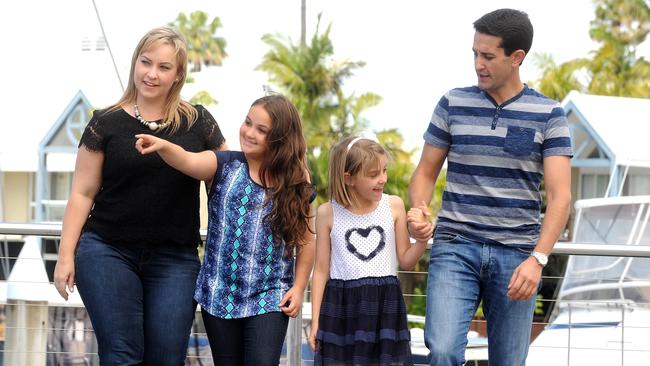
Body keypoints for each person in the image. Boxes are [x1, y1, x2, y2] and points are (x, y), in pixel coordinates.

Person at [52, 26, 226, 365]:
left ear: (178, 75)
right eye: (146, 62)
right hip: (106, 250)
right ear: (135, 63)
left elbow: (227, 176)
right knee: (122, 353)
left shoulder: (199, 122)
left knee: (166, 357)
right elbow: (82, 193)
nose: (151, 74)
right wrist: (64, 257)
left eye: (164, 67)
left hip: (175, 259)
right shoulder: (105, 123)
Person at [408, 8, 573, 366]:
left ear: (517, 58)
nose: (478, 64)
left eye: (488, 56)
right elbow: (424, 173)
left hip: (517, 257)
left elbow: (561, 198)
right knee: (444, 352)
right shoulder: (453, 103)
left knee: (509, 362)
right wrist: (420, 210)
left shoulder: (549, 115)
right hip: (455, 247)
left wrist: (538, 259)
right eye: (474, 54)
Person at [134, 94, 315, 366]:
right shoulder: (225, 163)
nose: (249, 132)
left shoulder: (297, 183)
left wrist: (299, 287)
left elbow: (307, 241)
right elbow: (187, 160)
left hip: (269, 294)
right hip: (220, 292)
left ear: (280, 139)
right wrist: (162, 145)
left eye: (261, 130)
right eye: (248, 122)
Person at [308, 135, 432, 365]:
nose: (383, 179)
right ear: (349, 178)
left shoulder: (393, 205)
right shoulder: (327, 213)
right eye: (373, 174)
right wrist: (316, 322)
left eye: (384, 170)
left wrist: (423, 240)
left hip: (385, 308)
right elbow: (321, 272)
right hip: (341, 310)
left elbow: (406, 260)